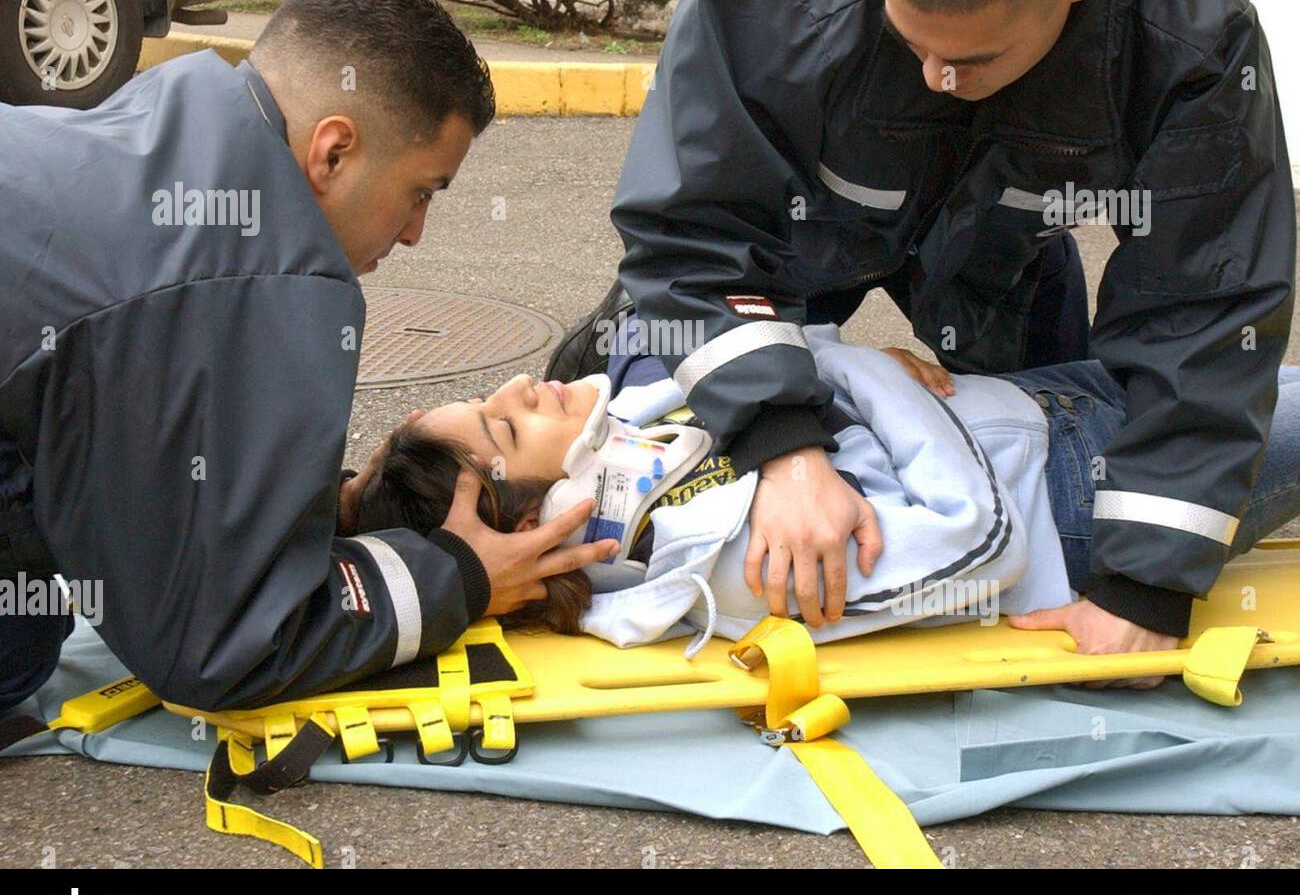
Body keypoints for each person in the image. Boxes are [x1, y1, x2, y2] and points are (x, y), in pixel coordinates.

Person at [596, 0, 1295, 663]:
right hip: (802, 239)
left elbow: (1208, 301)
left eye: (971, 56)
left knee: (1054, 454)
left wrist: (1145, 583)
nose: (937, 78)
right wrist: (784, 444)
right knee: (648, 397)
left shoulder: (1190, 39)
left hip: (1002, 250)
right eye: (911, 43)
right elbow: (692, 232)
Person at [0, 0, 617, 715]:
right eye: (422, 191)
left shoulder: (178, 118)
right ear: (332, 154)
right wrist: (457, 574)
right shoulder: (253, 269)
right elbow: (224, 648)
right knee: (19, 647)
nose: (416, 232)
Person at [354, 340, 1300, 689]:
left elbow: (716, 366)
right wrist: (851, 367)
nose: (524, 385)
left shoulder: (634, 443)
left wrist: (841, 391)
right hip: (1081, 500)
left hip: (1036, 406)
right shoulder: (713, 558)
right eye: (504, 423)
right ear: (540, 521)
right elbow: (979, 540)